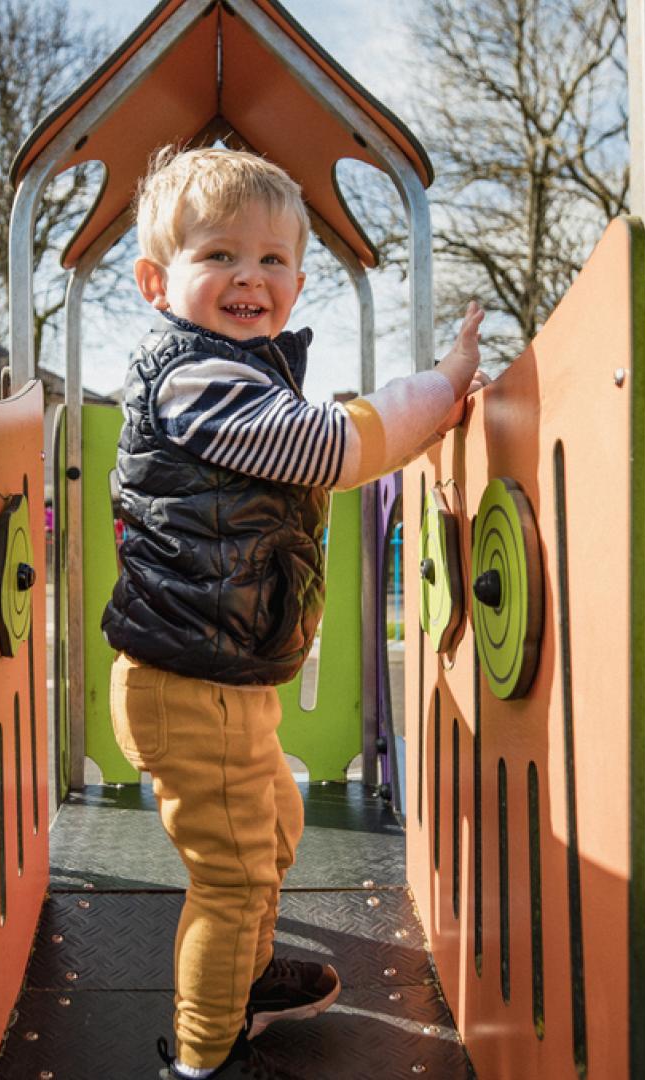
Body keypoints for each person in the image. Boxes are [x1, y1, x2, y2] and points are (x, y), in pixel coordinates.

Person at [103, 145, 487, 1079]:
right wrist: (435, 393)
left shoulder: (238, 372)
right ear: (159, 281)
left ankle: (248, 973)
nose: (250, 276)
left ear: (299, 280)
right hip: (189, 681)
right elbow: (326, 447)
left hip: (225, 670)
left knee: (273, 822)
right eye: (220, 255)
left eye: (272, 260)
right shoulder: (194, 378)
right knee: (232, 873)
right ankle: (203, 1059)